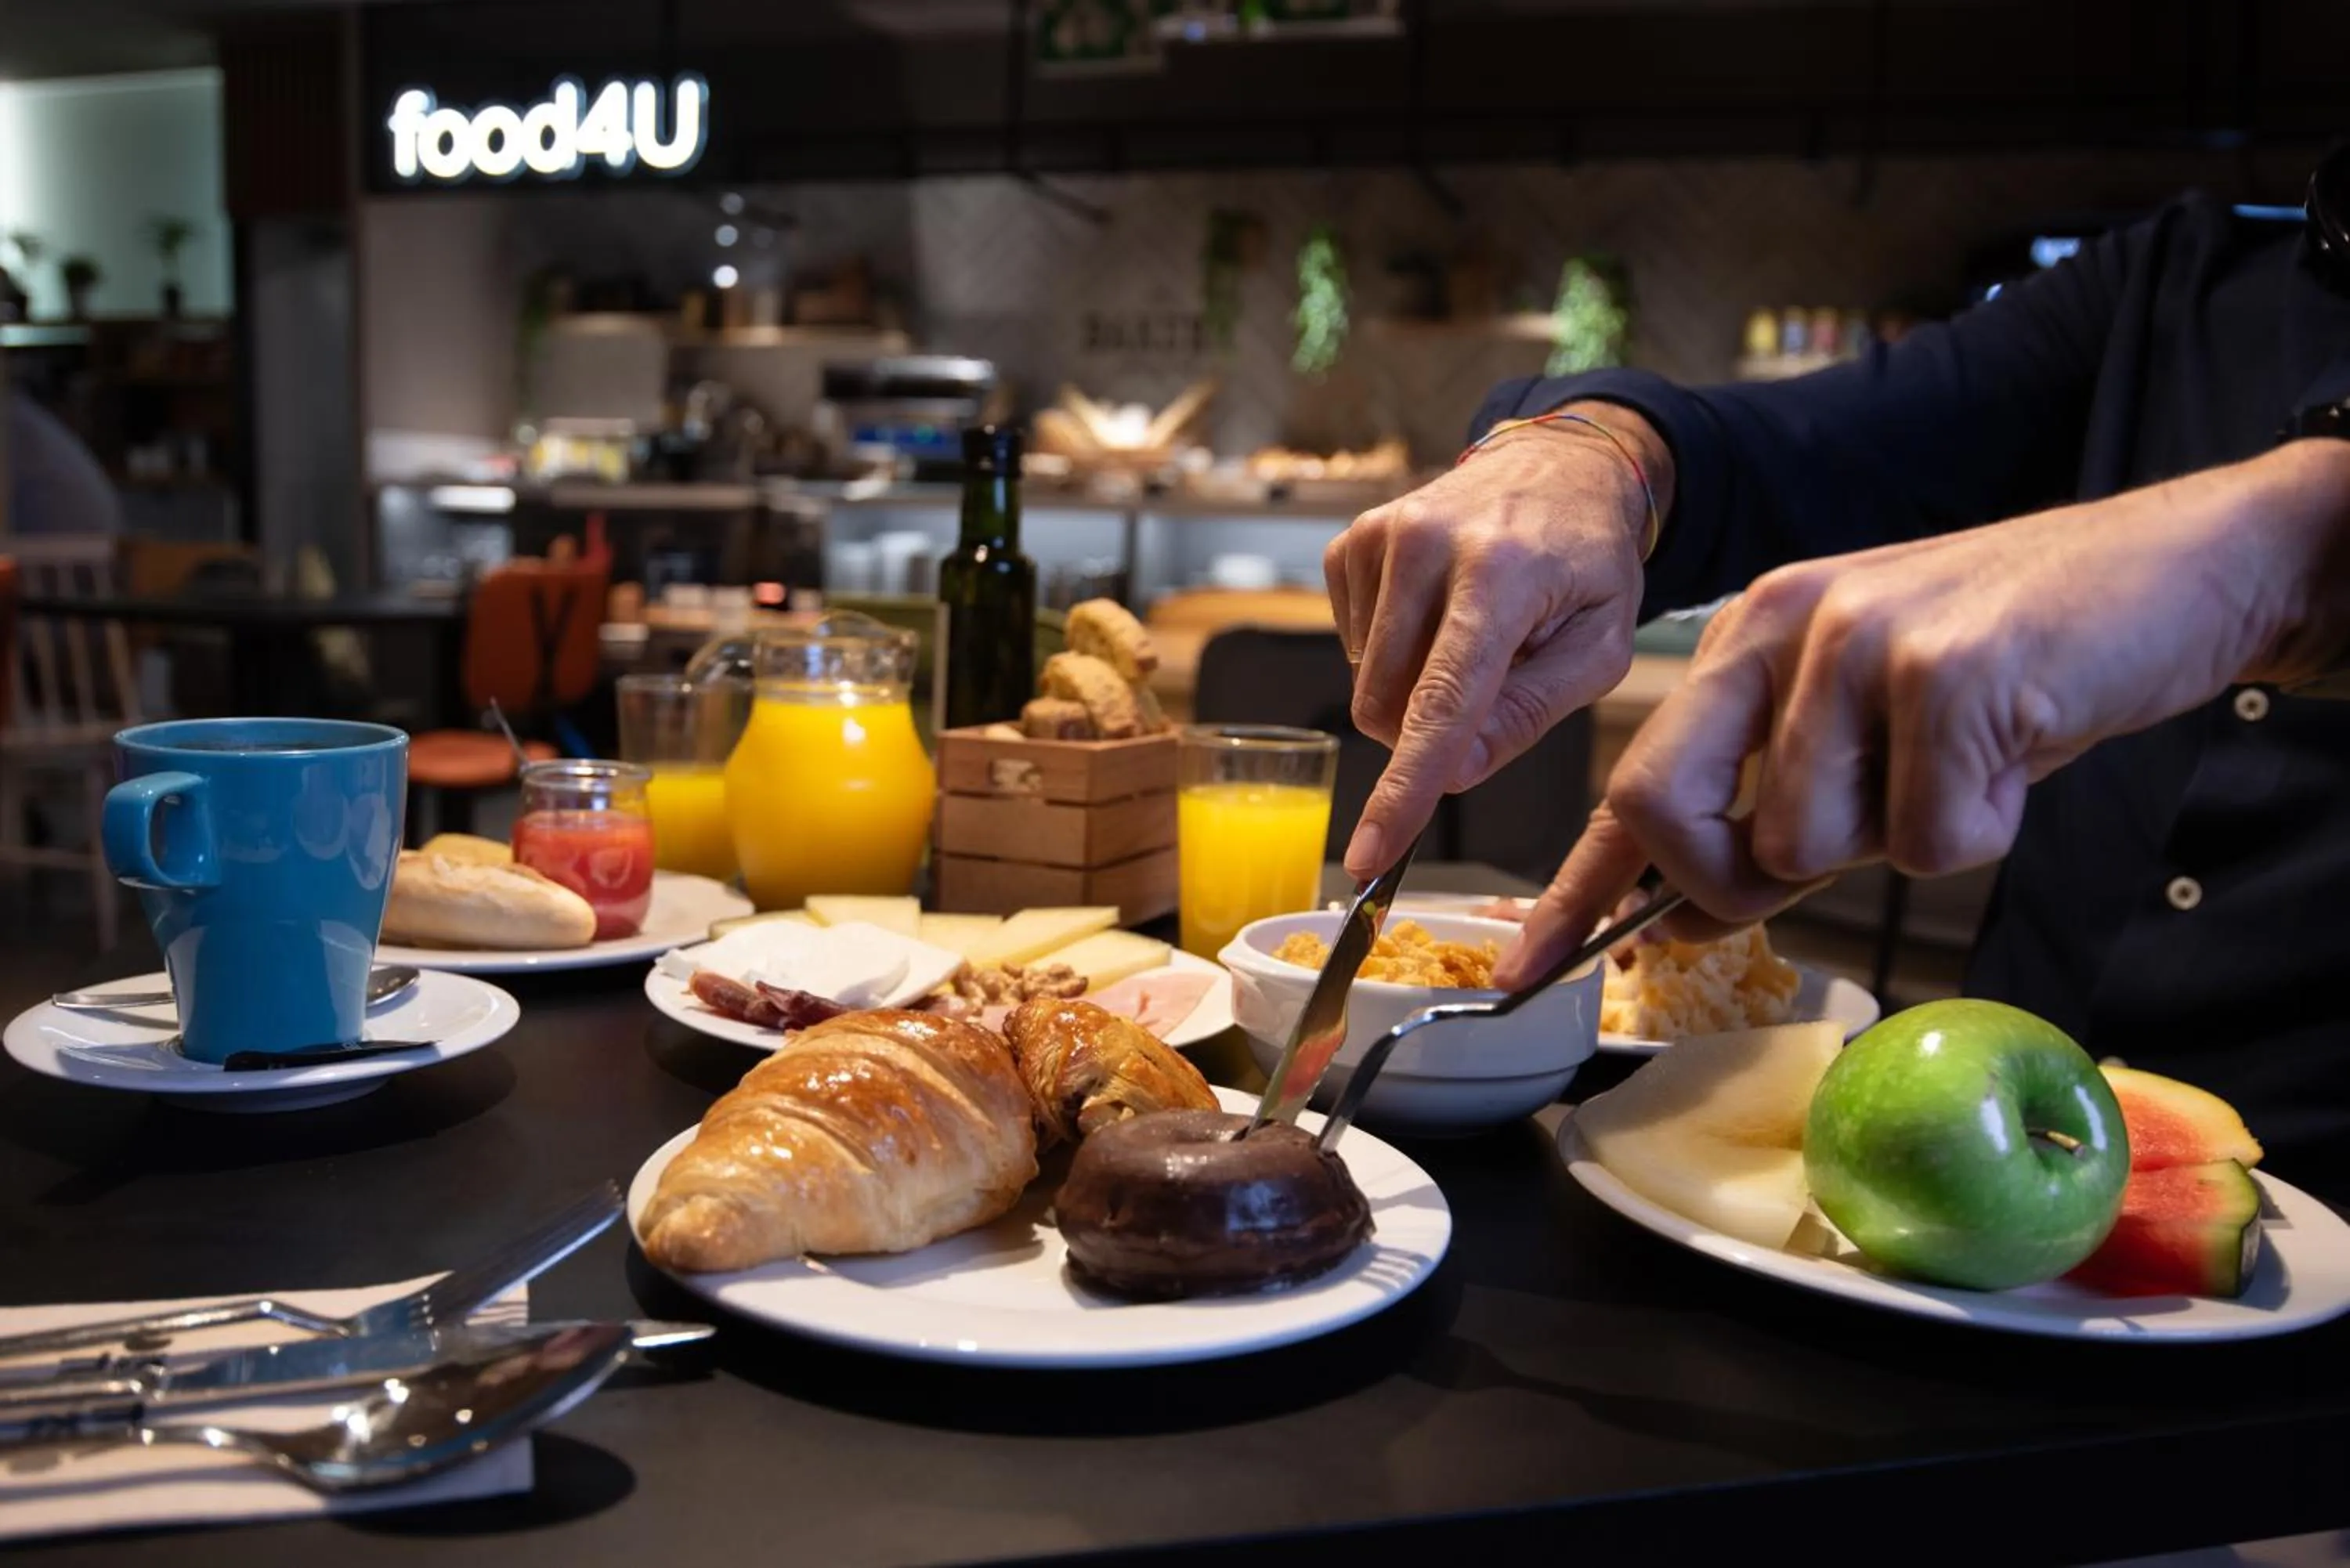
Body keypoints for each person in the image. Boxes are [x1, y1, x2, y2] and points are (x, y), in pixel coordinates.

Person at [1327, 168, 2350, 1180]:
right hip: (1957, 1164)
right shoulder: (2176, 281)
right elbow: (1797, 450)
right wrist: (1593, 452)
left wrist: (2283, 553)